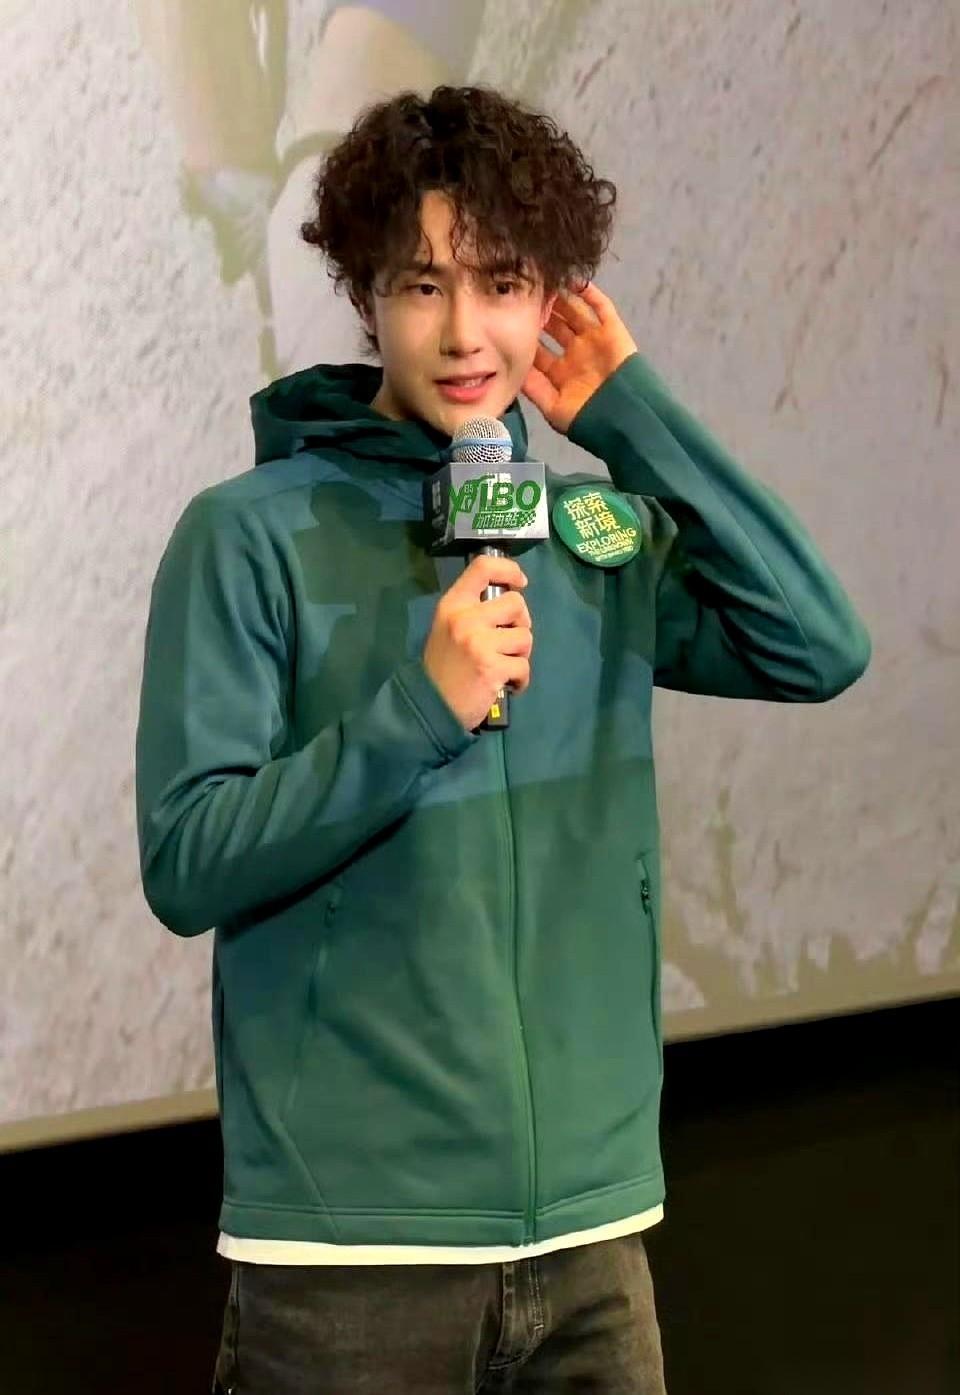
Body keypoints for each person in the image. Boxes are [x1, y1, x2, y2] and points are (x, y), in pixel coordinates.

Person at [134, 84, 872, 1393]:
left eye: (504, 282)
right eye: (423, 285)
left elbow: (816, 643)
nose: (466, 331)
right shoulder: (247, 535)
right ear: (366, 294)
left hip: (591, 1242)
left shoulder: (594, 538)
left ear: (553, 301)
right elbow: (188, 860)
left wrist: (635, 419)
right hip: (349, 1256)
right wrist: (418, 710)